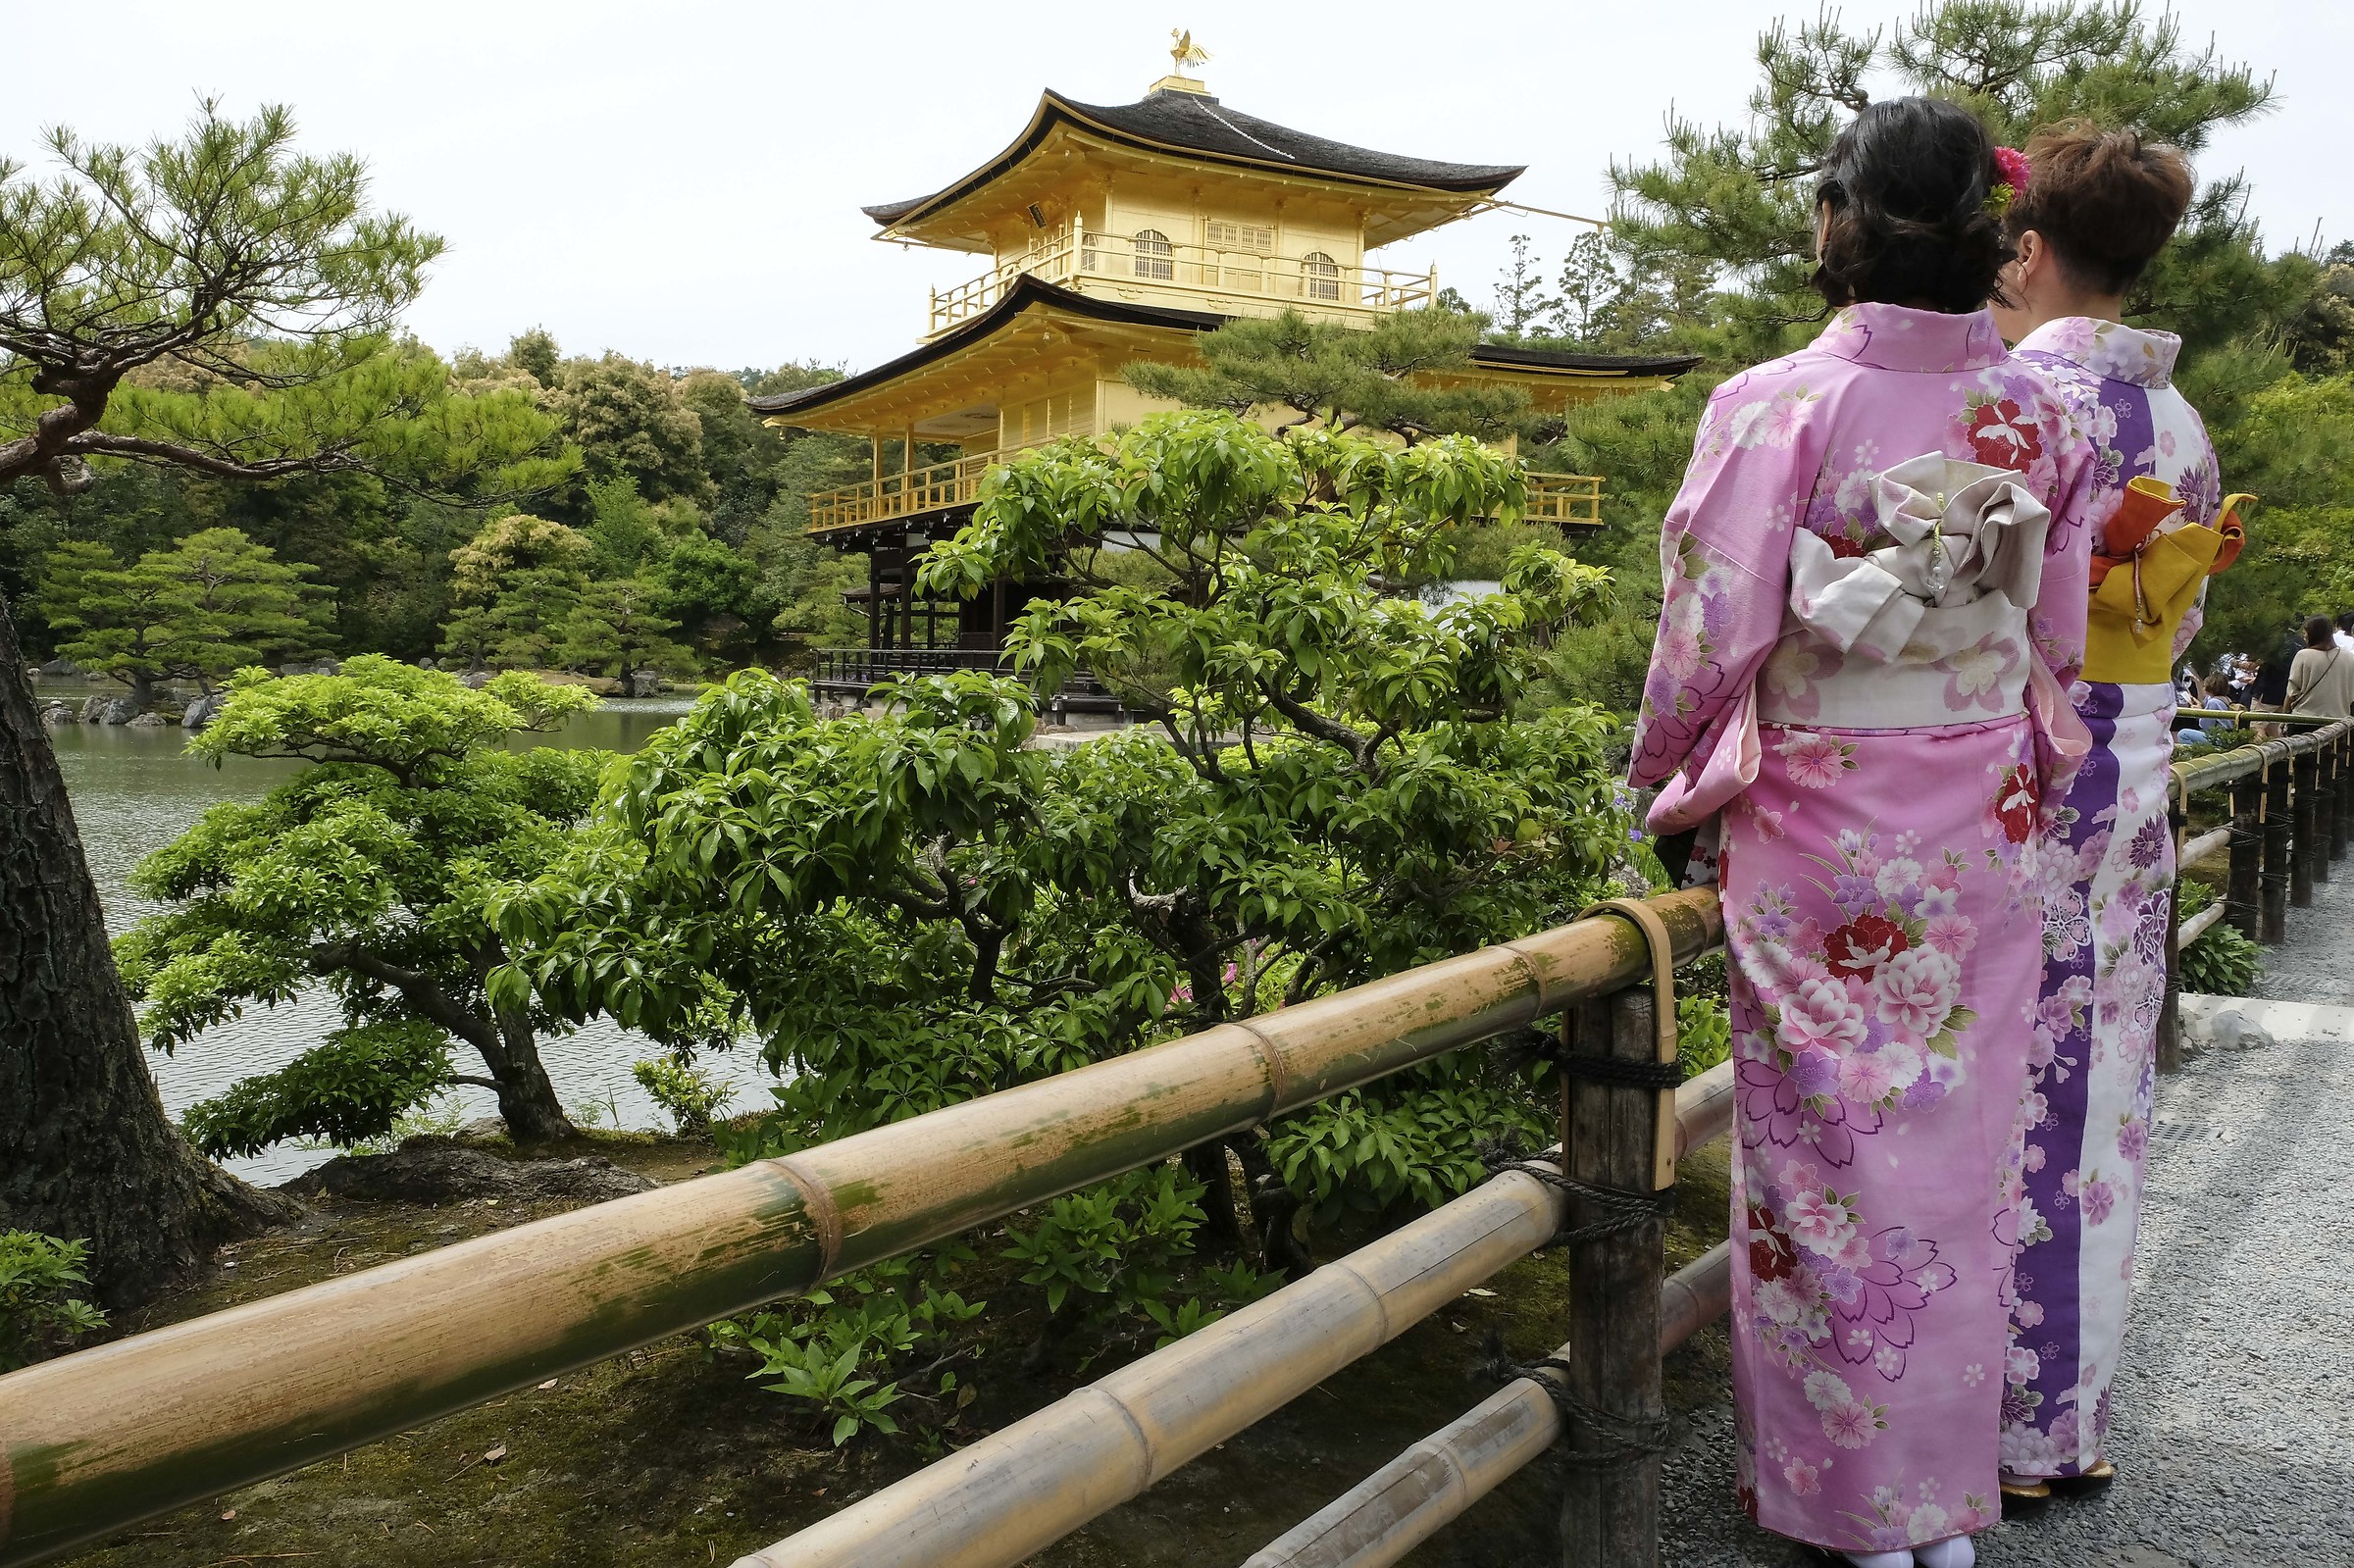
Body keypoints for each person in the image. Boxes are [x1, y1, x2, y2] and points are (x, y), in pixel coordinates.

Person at [1628, 96, 2091, 1568]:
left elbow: (1711, 623)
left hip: (1825, 820)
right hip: (1982, 818)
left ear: (1838, 221)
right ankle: (1940, 1508)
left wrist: (1670, 775)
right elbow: (2058, 630)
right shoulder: (2042, 409)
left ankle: (1855, 1510)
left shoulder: (1779, 400)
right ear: (1990, 240)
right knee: (1955, 1148)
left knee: (1825, 1149)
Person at [1987, 120, 2245, 1499]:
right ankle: (2071, 1416)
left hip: (2026, 780)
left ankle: (2009, 1427)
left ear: (2026, 251)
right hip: (2135, 771)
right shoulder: (2181, 421)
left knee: (2007, 1092)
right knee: (2100, 1109)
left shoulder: (2024, 402)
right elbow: (2175, 607)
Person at [2287, 614, 2354, 717]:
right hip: (2339, 722)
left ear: (2312, 634)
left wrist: (2284, 718)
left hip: (2305, 719)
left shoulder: (2303, 656)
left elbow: (2292, 693)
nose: (2304, 636)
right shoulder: (2349, 657)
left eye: (2305, 633)